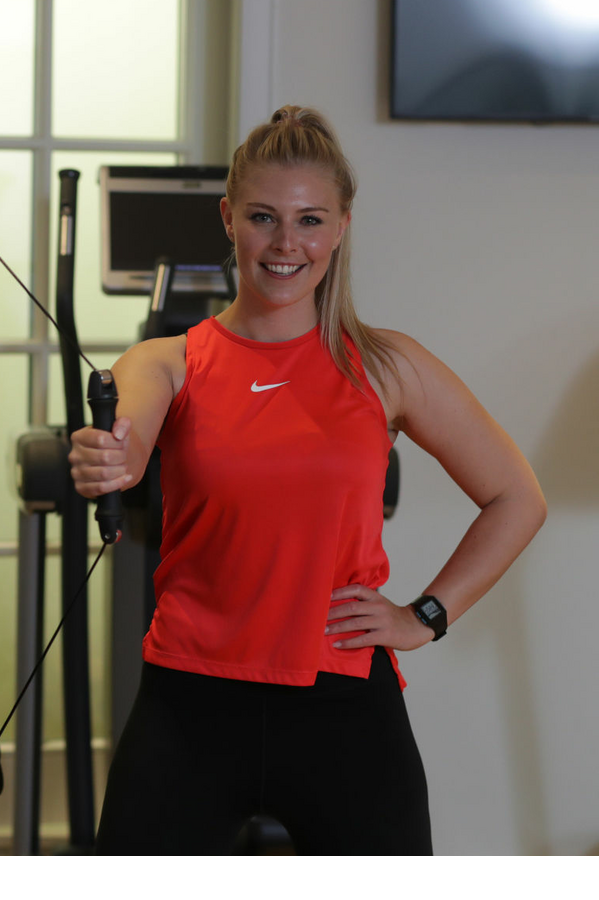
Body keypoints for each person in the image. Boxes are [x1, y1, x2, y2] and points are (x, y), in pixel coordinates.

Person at [68, 105, 547, 855]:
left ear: (342, 226)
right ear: (229, 219)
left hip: (343, 700)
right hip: (192, 699)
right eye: (264, 217)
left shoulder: (387, 367)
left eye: (310, 220)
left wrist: (424, 616)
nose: (287, 244)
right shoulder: (168, 361)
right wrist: (110, 457)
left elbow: (518, 498)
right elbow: (126, 436)